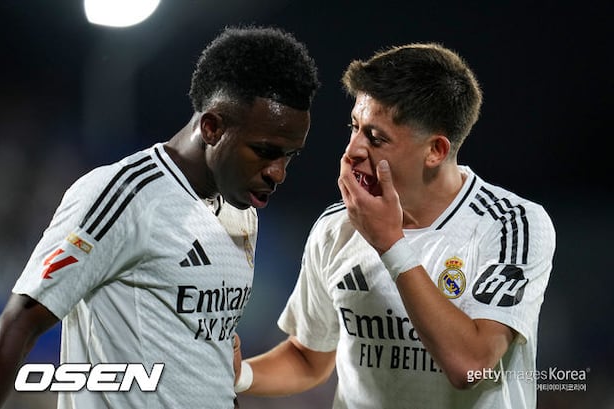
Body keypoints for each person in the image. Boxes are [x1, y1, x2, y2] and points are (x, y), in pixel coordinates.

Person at [0, 25, 319, 409]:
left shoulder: (242, 210)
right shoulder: (124, 195)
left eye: (289, 155)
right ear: (212, 127)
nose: (278, 172)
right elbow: (20, 322)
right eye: (265, 151)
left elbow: (211, 356)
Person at [235, 43, 556, 408]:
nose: (352, 150)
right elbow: (309, 357)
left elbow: (471, 365)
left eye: (376, 138)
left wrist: (390, 244)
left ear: (435, 150)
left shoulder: (510, 225)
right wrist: (240, 375)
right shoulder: (336, 228)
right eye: (355, 128)